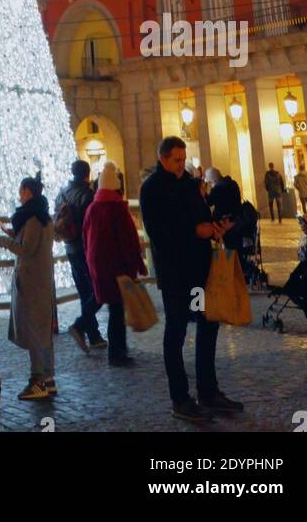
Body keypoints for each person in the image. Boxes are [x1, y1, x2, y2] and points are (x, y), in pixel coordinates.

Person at [140, 136, 243, 422]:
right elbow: (158, 233)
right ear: (162, 158)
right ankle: (180, 399)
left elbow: (199, 217)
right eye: (176, 159)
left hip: (200, 271)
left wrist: (214, 227)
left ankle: (208, 392)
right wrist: (193, 232)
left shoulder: (189, 184)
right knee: (176, 332)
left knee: (208, 325)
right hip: (175, 275)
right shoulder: (152, 189)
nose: (181, 164)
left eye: (184, 159)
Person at [0, 173, 56, 400]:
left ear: (28, 192)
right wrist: (11, 232)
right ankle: (48, 378)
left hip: (32, 280)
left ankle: (37, 380)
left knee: (34, 329)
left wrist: (4, 242)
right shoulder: (42, 216)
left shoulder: (31, 218)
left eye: (21, 191)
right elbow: (31, 240)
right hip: (42, 278)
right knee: (43, 328)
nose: (19, 196)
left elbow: (26, 249)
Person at [82, 161, 146, 367]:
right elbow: (128, 241)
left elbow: (85, 236)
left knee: (113, 308)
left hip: (98, 265)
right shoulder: (118, 209)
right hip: (118, 267)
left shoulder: (93, 208)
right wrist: (136, 265)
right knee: (117, 312)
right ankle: (117, 354)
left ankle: (117, 351)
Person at [54, 159, 105, 354]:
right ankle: (82, 327)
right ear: (87, 174)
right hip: (85, 247)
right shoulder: (87, 194)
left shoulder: (62, 192)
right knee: (97, 290)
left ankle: (92, 334)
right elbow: (91, 223)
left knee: (84, 291)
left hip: (70, 247)